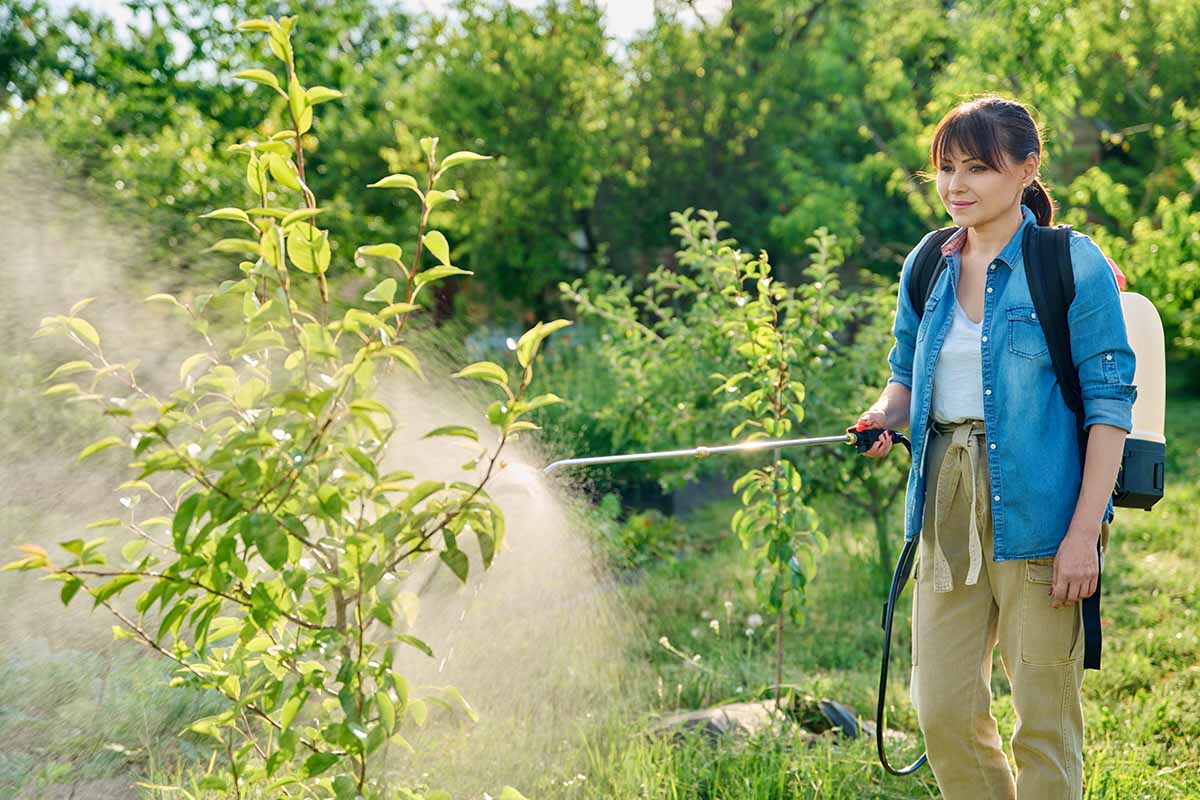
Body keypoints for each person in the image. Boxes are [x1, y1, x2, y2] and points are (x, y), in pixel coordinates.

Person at [854, 95, 1137, 799]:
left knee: (1044, 722)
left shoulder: (1071, 263)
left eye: (978, 167)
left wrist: (1083, 536)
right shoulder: (928, 264)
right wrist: (883, 414)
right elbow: (904, 375)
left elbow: (1109, 409)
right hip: (946, 507)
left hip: (1045, 508)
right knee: (942, 709)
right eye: (946, 167)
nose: (956, 185)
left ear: (1027, 169)